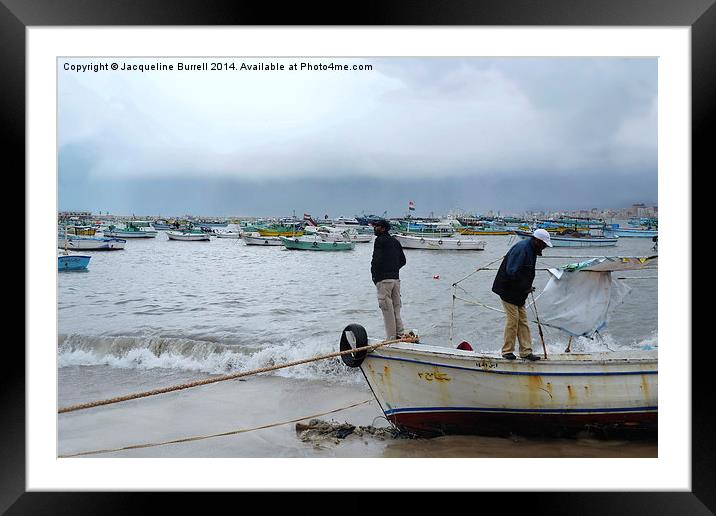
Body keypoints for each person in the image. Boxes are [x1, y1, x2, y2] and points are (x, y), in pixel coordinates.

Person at [491, 228, 553, 361]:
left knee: (523, 321)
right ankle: (507, 351)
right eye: (544, 245)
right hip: (508, 290)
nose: (544, 248)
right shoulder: (522, 249)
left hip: (519, 292)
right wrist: (525, 286)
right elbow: (512, 272)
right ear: (537, 241)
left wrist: (526, 287)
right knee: (513, 320)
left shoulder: (532, 250)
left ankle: (526, 352)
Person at [370, 219, 408, 340]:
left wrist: (375, 277)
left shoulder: (379, 241)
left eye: (377, 226)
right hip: (396, 280)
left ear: (383, 228)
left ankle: (391, 340)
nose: (374, 228)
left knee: (387, 312)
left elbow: (376, 260)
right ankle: (401, 335)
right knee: (396, 309)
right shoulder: (395, 241)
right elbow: (403, 261)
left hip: (383, 280)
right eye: (374, 226)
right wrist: (393, 270)